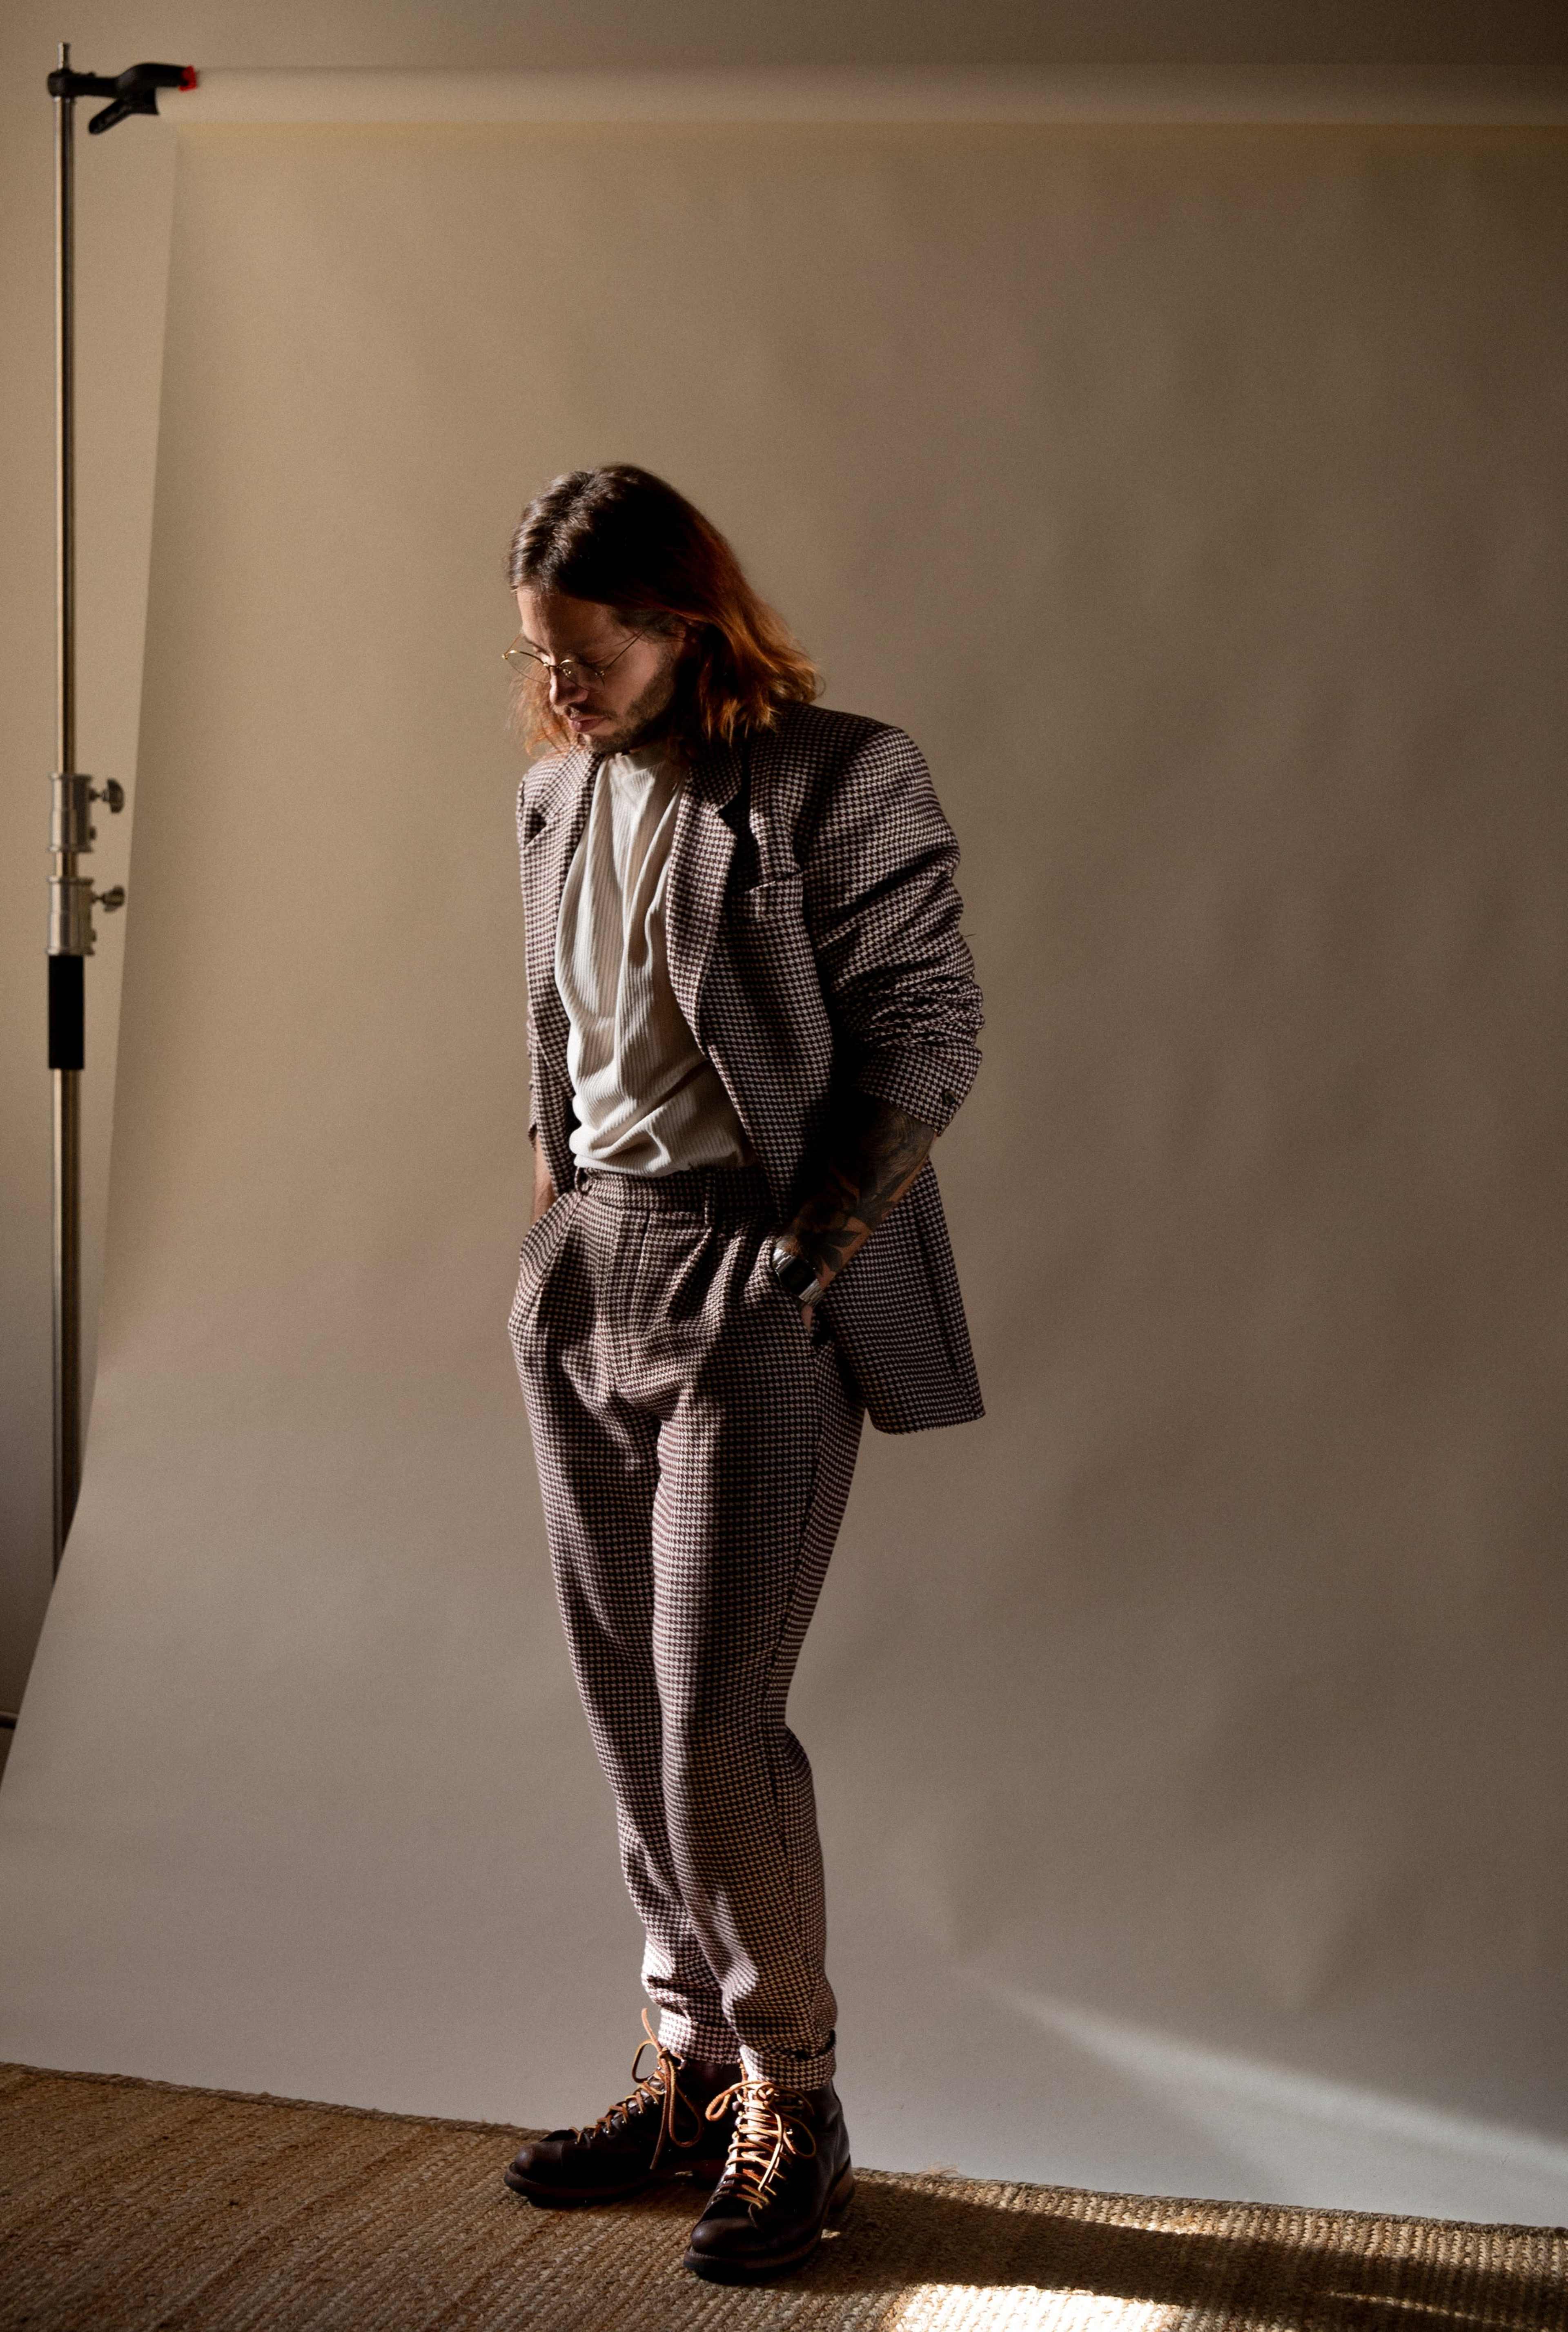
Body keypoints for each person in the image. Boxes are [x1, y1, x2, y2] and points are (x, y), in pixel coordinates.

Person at [499, 465, 984, 2284]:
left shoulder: (835, 779)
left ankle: (799, 2093)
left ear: (685, 622)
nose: (558, 690)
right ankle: (690, 2070)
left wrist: (805, 1257)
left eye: (588, 653)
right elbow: (556, 1036)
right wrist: (554, 1236)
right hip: (589, 1279)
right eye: (537, 657)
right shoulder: (556, 798)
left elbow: (931, 1024)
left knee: (716, 1723)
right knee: (629, 1713)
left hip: (756, 1272)